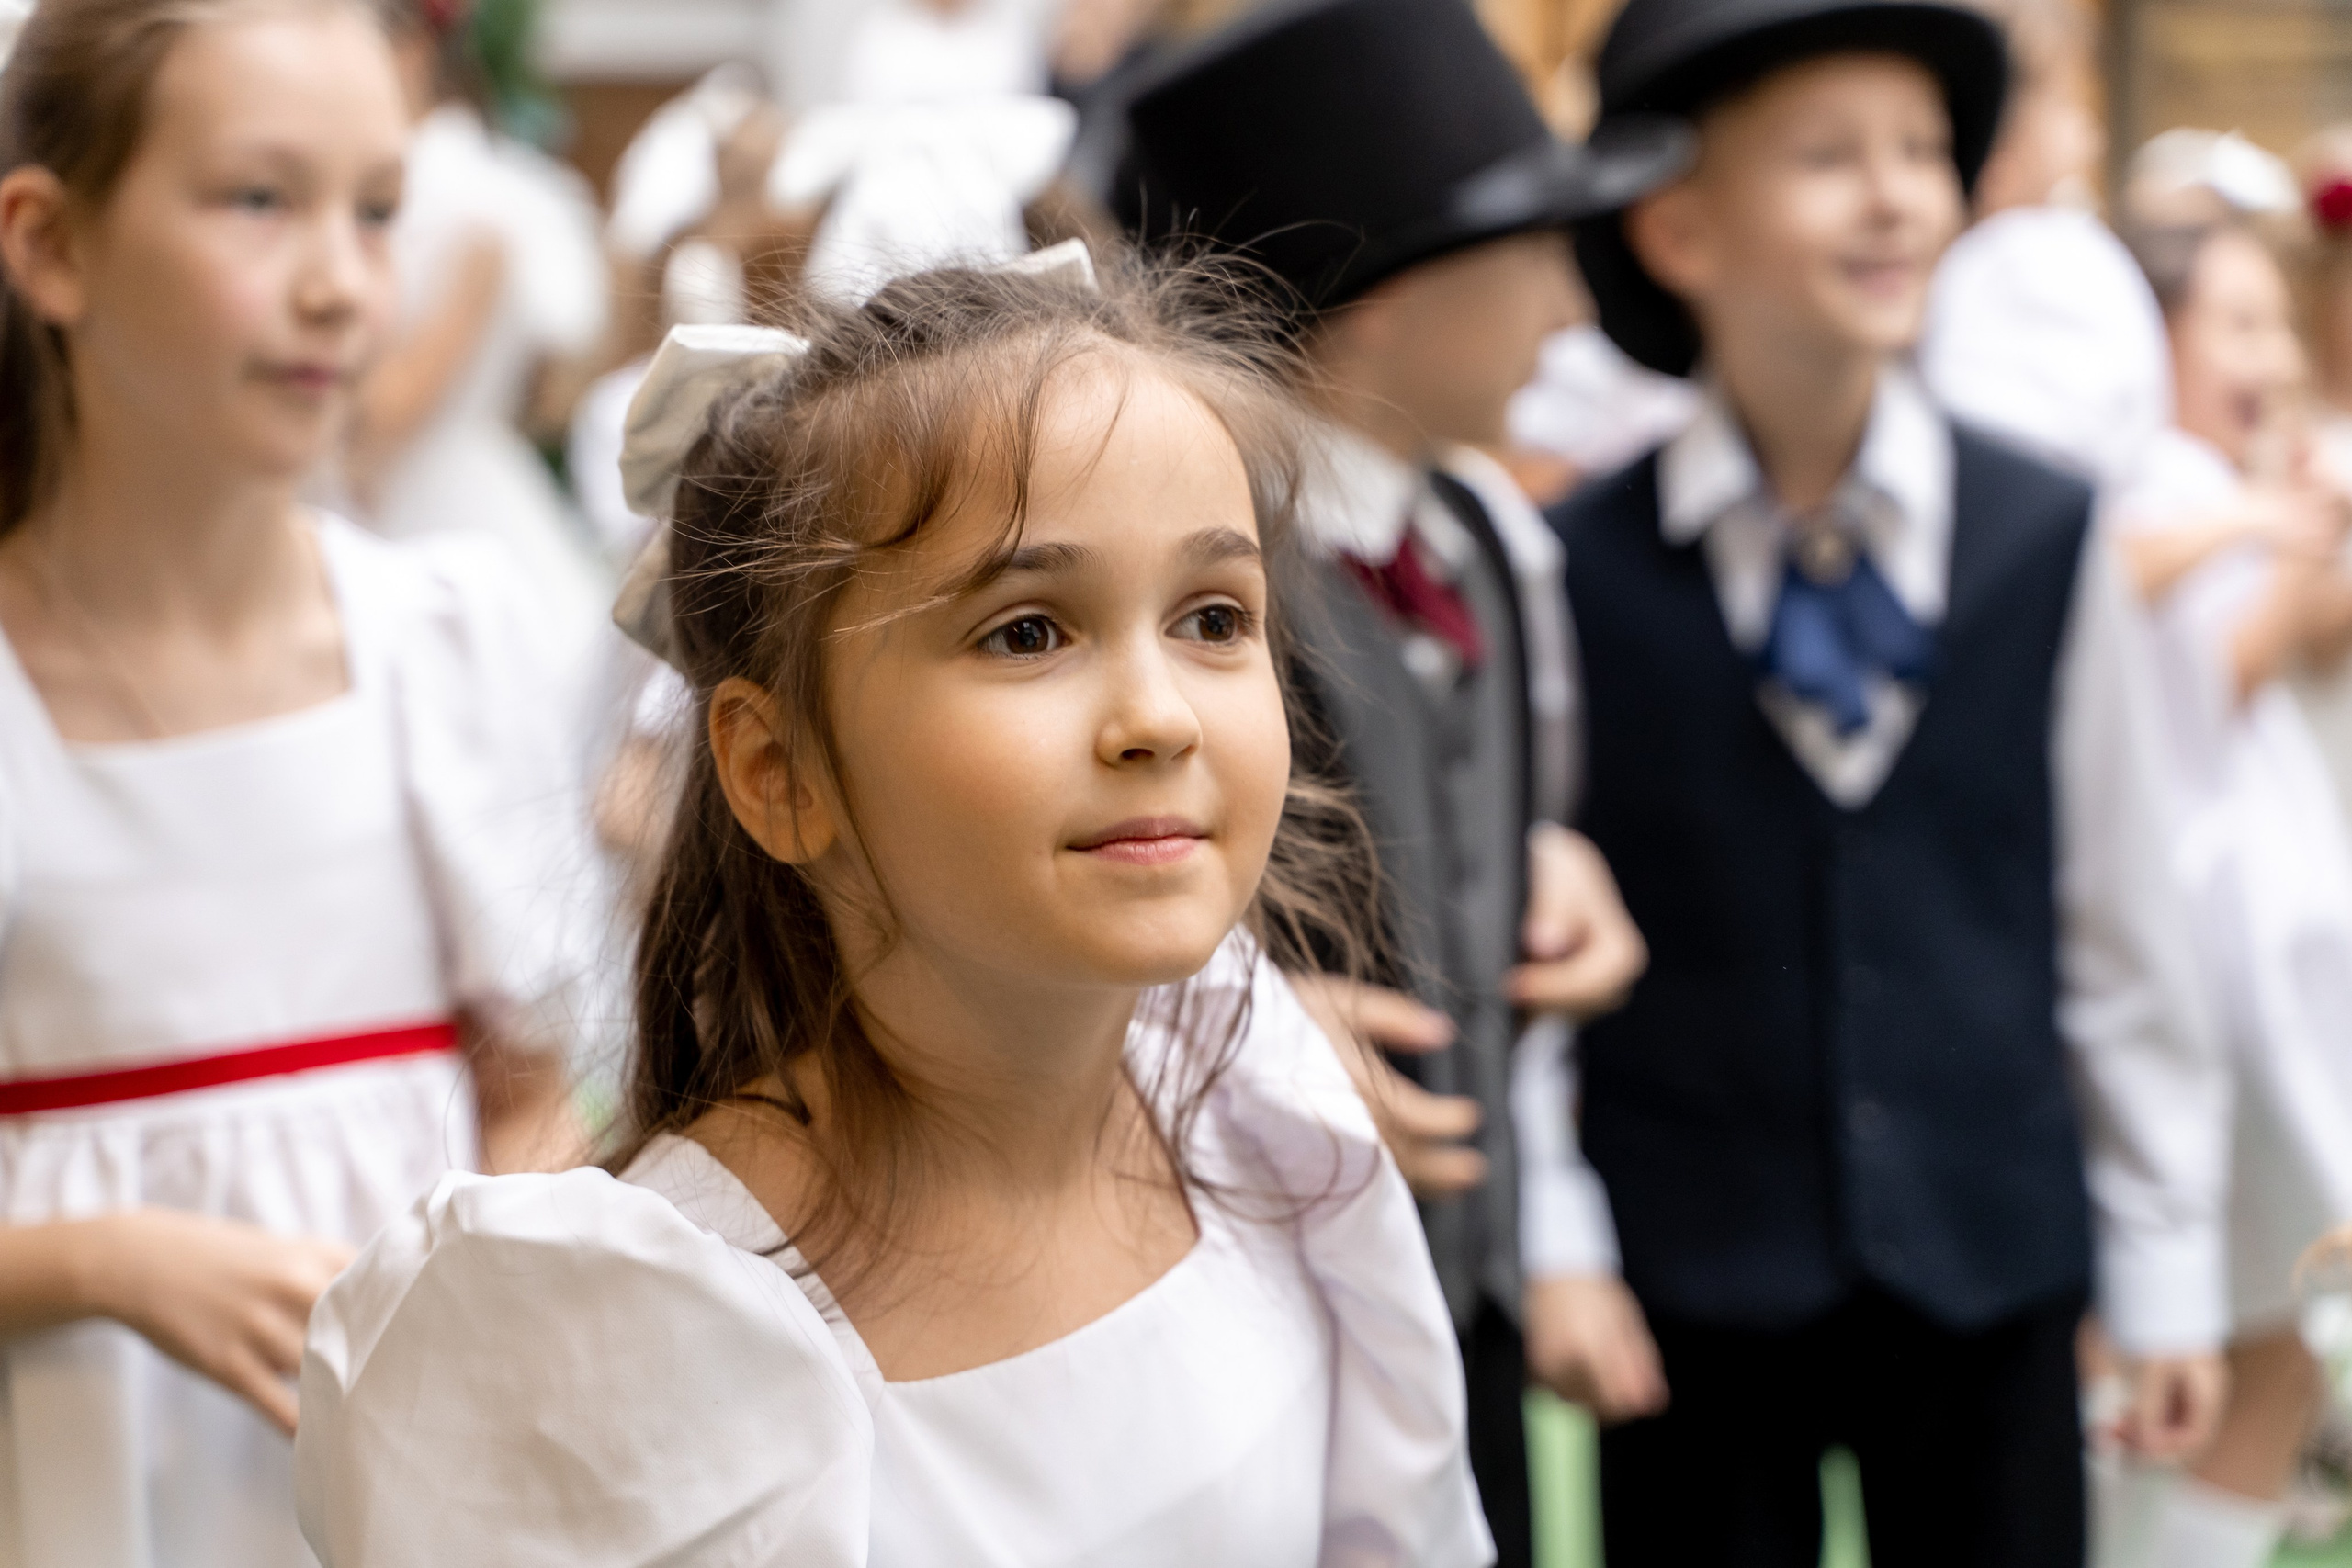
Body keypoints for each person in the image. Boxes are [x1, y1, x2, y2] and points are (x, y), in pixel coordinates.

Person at [294, 246, 1495, 1568]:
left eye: (1214, 618)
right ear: (780, 771)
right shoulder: (646, 1343)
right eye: (1027, 632)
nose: (1159, 717)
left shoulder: (1263, 1110)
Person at [1545, 0, 2232, 1561]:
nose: (1895, 198)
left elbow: (2122, 921)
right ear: (1677, 227)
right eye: (1829, 157)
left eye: (1923, 151)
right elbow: (1539, 934)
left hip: (1991, 1262)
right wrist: (1565, 1238)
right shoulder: (1574, 566)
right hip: (1693, 1280)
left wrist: (2166, 1259)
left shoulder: (2045, 535)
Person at [0, 0, 594, 1562]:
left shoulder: (442, 644)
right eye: (259, 200)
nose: (342, 284)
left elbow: (532, 1088)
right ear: (51, 245)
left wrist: (509, 1273)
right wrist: (96, 1260)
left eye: (378, 211)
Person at [1119, 3, 1683, 1558]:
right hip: (1244, 1307)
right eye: (1532, 257)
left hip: (1462, 1300)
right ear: (1381, 309)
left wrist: (1549, 1227)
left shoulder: (1489, 540)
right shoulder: (1196, 589)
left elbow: (1506, 857)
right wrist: (1222, 1027)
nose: (1568, 307)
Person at [2098, 216, 2352, 1568]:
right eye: (2236, 325)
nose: (2274, 358)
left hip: (2258, 952)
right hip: (2217, 967)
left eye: (2276, 325)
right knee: (2242, 1334)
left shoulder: (2203, 484)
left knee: (2268, 1344)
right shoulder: (2156, 488)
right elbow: (2224, 671)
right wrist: (2289, 533)